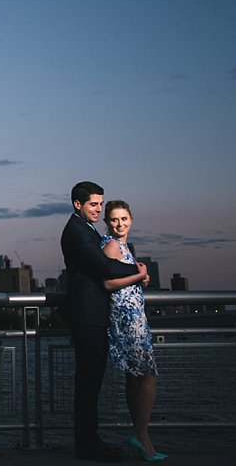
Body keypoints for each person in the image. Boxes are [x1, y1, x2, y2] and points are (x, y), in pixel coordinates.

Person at [61, 181, 142, 462]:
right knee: (88, 382)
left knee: (91, 382)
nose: (98, 209)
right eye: (93, 204)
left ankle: (90, 442)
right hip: (87, 315)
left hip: (93, 315)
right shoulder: (76, 232)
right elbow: (105, 267)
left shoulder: (85, 229)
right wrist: (138, 269)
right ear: (77, 204)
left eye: (99, 203)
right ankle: (87, 446)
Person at [101, 201, 165, 462]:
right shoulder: (113, 245)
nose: (120, 224)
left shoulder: (124, 247)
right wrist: (139, 277)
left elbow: (123, 277)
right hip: (127, 321)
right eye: (114, 219)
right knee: (148, 377)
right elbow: (107, 282)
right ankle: (141, 435)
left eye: (124, 218)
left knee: (136, 378)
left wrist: (139, 276)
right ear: (107, 222)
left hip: (135, 318)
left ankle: (142, 437)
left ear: (132, 219)